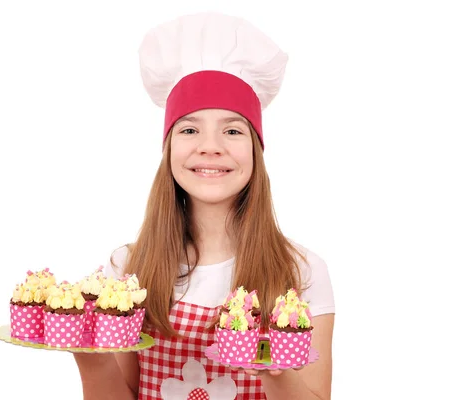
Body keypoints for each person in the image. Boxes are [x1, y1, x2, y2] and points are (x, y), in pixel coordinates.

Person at [74, 11, 335, 400]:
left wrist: (276, 373)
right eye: (190, 129)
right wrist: (89, 357)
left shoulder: (301, 271)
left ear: (255, 150)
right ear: (169, 149)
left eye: (232, 130)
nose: (210, 146)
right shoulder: (127, 271)